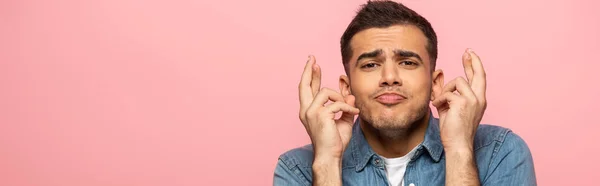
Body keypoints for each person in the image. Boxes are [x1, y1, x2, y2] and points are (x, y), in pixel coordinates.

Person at [273, 1, 536, 185]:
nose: (389, 78)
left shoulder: (499, 152)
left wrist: (459, 150)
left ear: (436, 84)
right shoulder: (298, 169)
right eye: (370, 65)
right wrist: (328, 163)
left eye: (408, 62)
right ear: (346, 88)